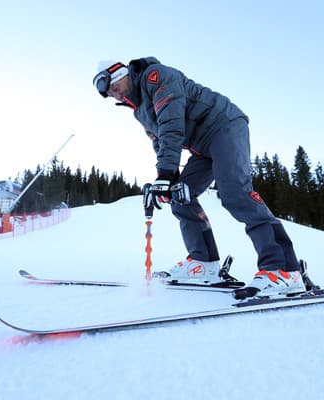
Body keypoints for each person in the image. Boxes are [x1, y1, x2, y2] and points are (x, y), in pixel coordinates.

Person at [93, 57, 306, 299]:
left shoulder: (156, 76)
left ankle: (284, 270)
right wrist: (168, 178)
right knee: (179, 195)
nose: (113, 94)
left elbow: (171, 122)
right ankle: (203, 262)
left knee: (235, 192)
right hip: (201, 146)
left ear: (122, 73)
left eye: (113, 86)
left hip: (223, 126)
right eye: (109, 93)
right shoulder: (139, 110)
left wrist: (166, 172)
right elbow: (159, 141)